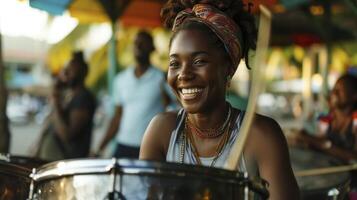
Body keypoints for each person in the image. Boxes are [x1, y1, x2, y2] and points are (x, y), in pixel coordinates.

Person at [139, 1, 299, 199]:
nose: (184, 74)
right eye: (175, 63)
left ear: (229, 68)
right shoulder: (162, 131)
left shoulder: (260, 136)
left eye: (199, 62)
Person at [97, 30, 176, 159]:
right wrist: (99, 148)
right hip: (122, 146)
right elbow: (117, 117)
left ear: (152, 49)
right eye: (136, 43)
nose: (138, 46)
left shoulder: (161, 78)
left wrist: (167, 103)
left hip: (150, 147)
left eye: (143, 43)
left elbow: (179, 108)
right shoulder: (121, 79)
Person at [36, 51, 96, 161]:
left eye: (70, 70)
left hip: (67, 164)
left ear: (83, 72)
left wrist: (55, 101)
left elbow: (67, 135)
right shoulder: (69, 96)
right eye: (65, 70)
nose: (66, 73)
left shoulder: (83, 97)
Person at [290, 74, 357, 162]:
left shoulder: (355, 120)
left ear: (354, 95)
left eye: (340, 90)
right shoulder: (327, 117)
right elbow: (321, 140)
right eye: (334, 89)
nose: (334, 93)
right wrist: (306, 138)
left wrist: (323, 145)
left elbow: (354, 157)